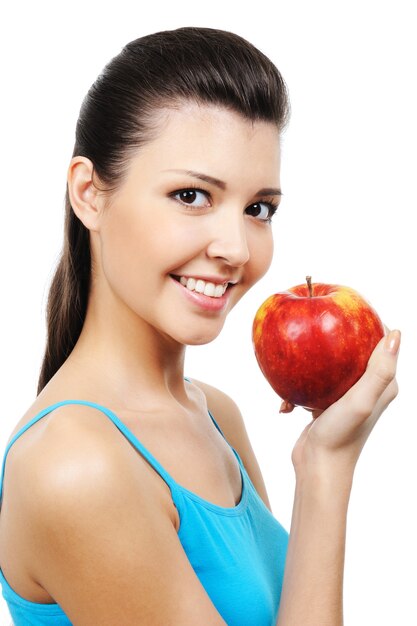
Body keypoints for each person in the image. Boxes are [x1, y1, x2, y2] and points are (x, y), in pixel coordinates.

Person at [0, 26, 400, 626]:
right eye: (191, 195)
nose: (237, 247)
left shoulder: (215, 413)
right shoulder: (74, 466)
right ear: (89, 193)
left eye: (258, 208)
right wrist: (327, 471)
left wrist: (326, 458)